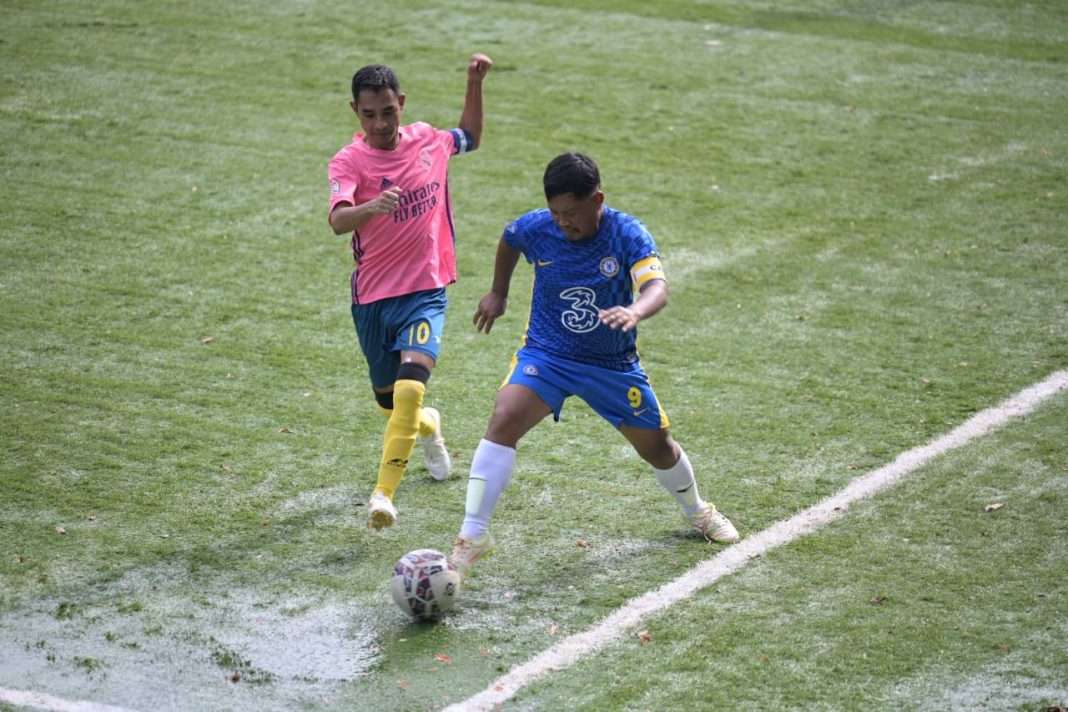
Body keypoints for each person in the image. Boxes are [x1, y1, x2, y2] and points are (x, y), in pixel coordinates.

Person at [449, 152, 739, 575]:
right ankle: (473, 534)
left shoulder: (628, 235)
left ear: (597, 199)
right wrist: (498, 292)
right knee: (505, 416)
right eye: (556, 213)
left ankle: (697, 510)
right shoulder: (537, 228)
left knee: (657, 446)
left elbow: (656, 287)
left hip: (611, 364)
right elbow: (510, 239)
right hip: (548, 354)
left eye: (572, 213)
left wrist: (636, 311)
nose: (563, 223)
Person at [327, 54, 493, 530]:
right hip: (374, 300)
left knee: (408, 388)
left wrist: (473, 83)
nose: (380, 123)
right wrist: (373, 206)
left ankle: (383, 494)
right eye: (368, 114)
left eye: (387, 111)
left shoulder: (428, 142)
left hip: (426, 290)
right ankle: (429, 426)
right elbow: (338, 220)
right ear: (355, 112)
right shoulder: (349, 161)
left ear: (401, 104)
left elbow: (471, 137)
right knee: (392, 402)